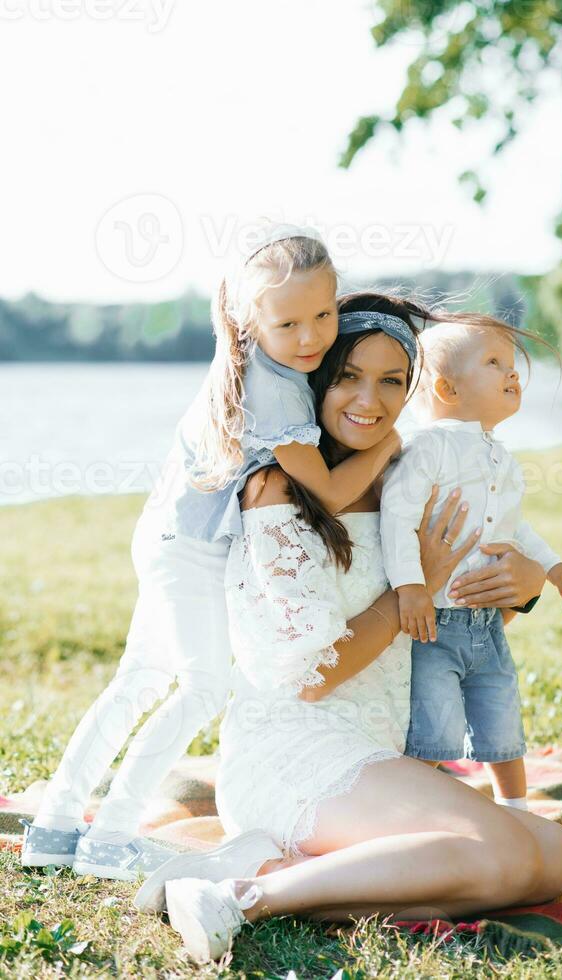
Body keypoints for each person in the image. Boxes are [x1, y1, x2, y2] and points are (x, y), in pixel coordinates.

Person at [146, 297, 562, 963]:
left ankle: (267, 868)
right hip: (296, 752)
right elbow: (312, 679)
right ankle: (236, 897)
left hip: (380, 757)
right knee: (498, 853)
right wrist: (420, 583)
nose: (368, 400)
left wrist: (518, 590)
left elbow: (451, 645)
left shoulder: (412, 484)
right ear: (314, 383)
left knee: (552, 857)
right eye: (348, 376)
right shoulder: (276, 494)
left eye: (391, 381)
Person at [21, 225, 400, 881]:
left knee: (139, 681)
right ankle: (112, 833)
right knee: (202, 687)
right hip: (189, 552)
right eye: (289, 322)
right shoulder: (275, 390)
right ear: (249, 319)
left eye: (323, 314)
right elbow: (331, 493)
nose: (311, 336)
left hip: (165, 535)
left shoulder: (251, 360)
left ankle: (55, 826)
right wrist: (383, 446)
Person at [380, 312, 562, 810]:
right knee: (436, 724)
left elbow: (515, 527)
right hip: (437, 621)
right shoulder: (428, 448)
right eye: (495, 363)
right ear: (447, 389)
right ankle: (408, 809)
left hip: (489, 623)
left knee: (501, 713)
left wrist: (553, 567)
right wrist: (411, 586)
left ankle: (516, 809)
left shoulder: (499, 456)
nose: (512, 373)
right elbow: (398, 515)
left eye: (512, 364)